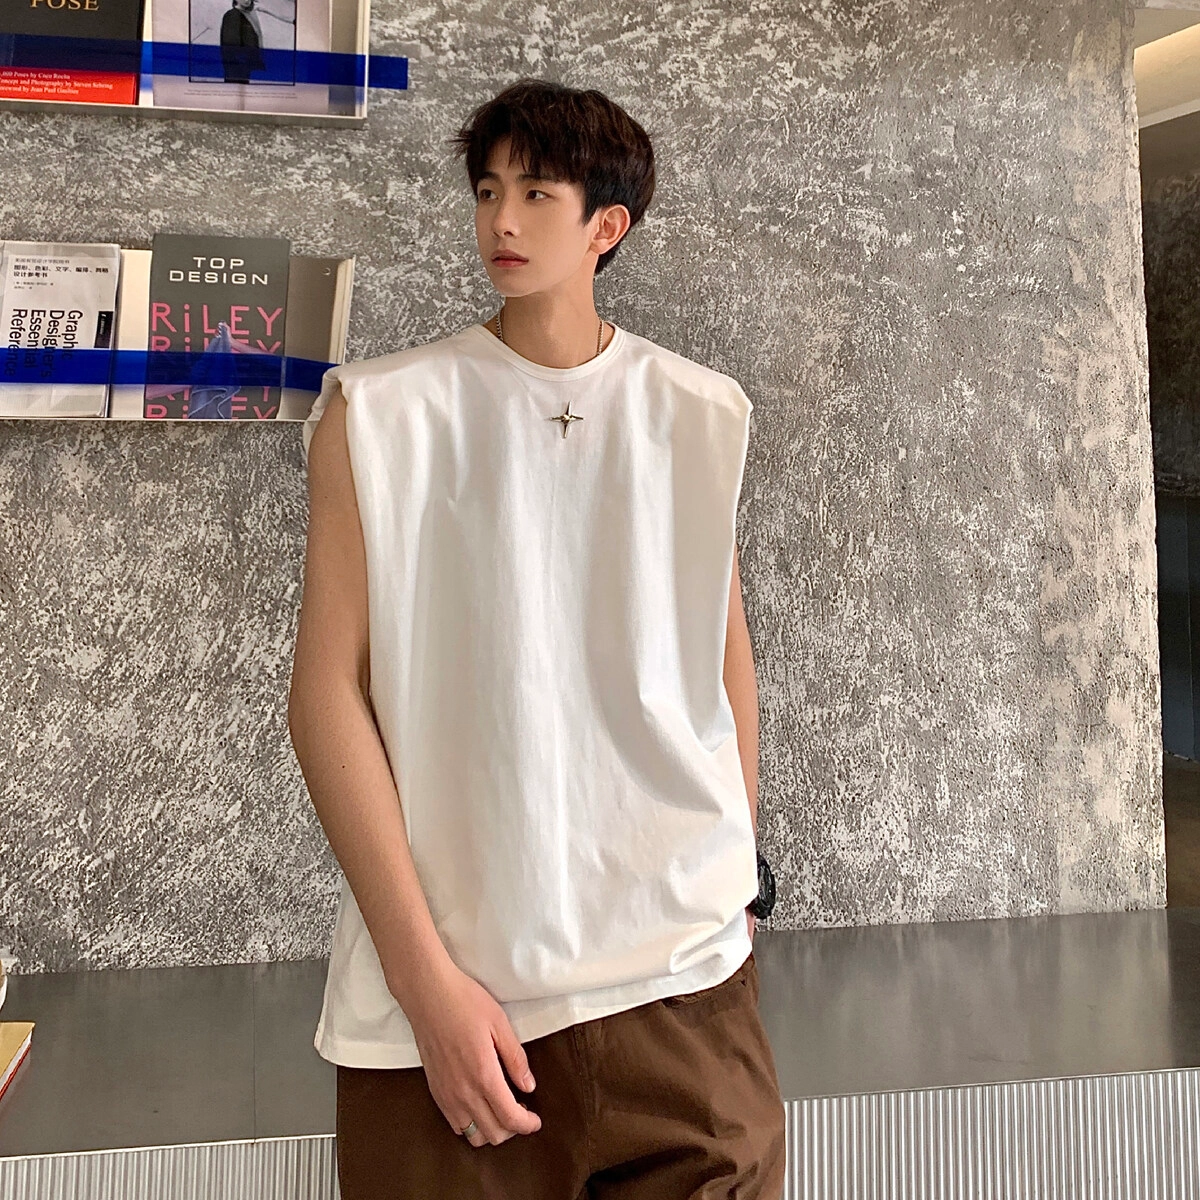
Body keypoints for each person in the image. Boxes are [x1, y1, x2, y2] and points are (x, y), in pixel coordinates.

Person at [287, 76, 786, 1199]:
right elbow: (324, 699)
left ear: (607, 226)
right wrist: (423, 984)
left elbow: (720, 660)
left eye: (535, 193)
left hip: (684, 982)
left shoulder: (700, 411)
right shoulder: (381, 414)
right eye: (486, 191)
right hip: (462, 1004)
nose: (500, 220)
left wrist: (736, 883)